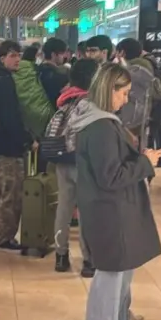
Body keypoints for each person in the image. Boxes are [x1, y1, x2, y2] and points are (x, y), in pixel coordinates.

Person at [78, 63, 161, 320]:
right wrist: (145, 162)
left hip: (110, 207)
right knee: (112, 272)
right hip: (109, 209)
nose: (126, 99)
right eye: (124, 93)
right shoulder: (101, 126)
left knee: (122, 268)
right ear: (108, 90)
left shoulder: (98, 119)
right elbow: (110, 176)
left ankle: (118, 318)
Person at [51, 58, 100, 275]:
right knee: (87, 210)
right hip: (84, 161)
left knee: (64, 206)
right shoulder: (92, 103)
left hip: (62, 158)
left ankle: (61, 256)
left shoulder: (64, 100)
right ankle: (88, 259)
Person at [0, 40, 31, 252]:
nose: (18, 59)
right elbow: (10, 116)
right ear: (2, 58)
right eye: (13, 55)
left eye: (18, 55)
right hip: (8, 145)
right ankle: (4, 237)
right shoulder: (4, 81)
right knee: (11, 193)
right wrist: (26, 139)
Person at [15, 44, 55, 141]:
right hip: (42, 116)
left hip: (22, 117)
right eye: (39, 55)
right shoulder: (36, 70)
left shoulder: (14, 70)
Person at [38, 38, 70, 106]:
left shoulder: (37, 69)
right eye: (62, 53)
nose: (64, 56)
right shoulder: (59, 76)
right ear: (53, 54)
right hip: (53, 112)